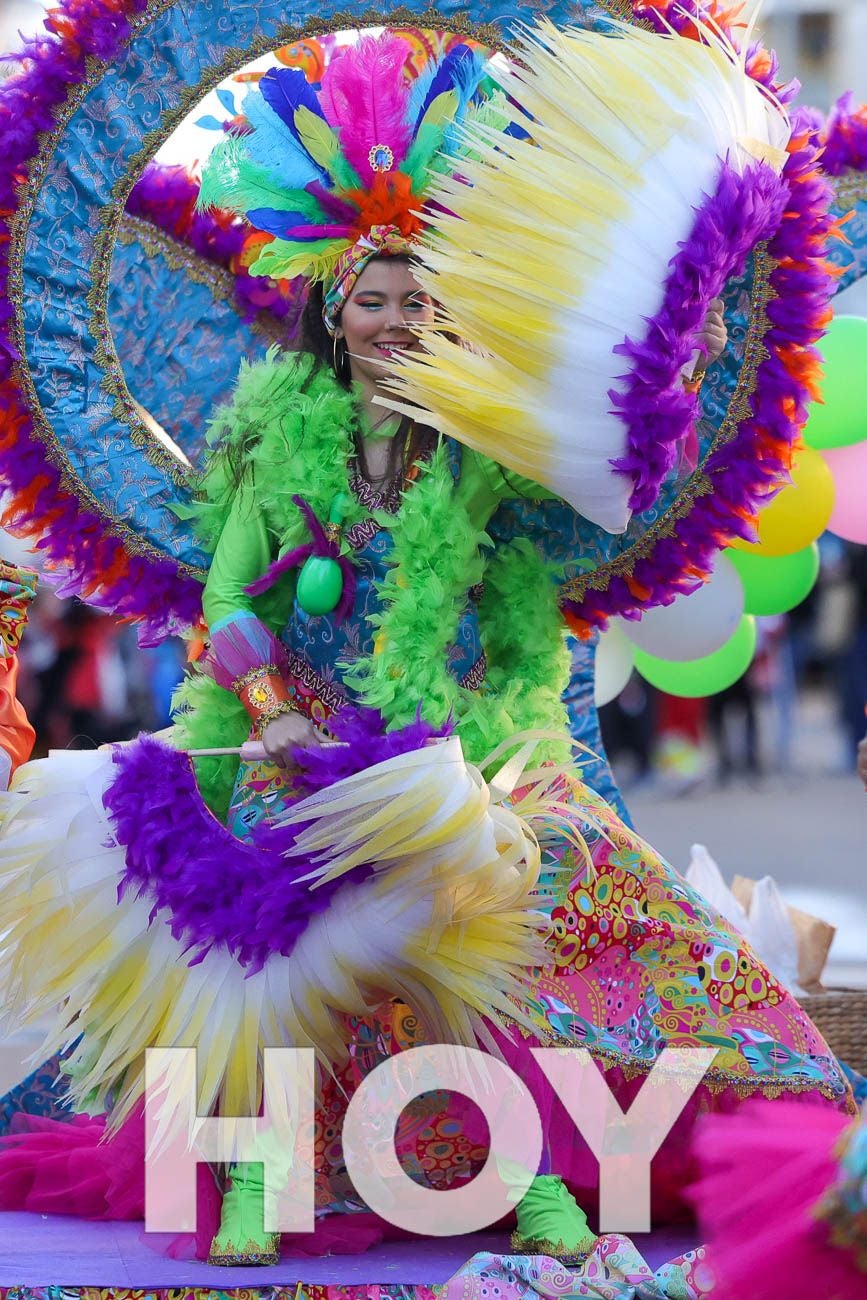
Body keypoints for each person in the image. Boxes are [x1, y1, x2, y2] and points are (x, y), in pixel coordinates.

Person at [0, 24, 852, 1273]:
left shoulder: (479, 452)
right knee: (264, 923)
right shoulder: (274, 447)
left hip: (459, 748)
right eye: (375, 303)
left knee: (542, 898)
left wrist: (684, 370)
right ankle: (259, 1171)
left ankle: (551, 1180)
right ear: (335, 319)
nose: (397, 323)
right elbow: (230, 602)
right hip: (300, 741)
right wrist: (270, 707)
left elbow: (603, 483)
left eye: (416, 302)